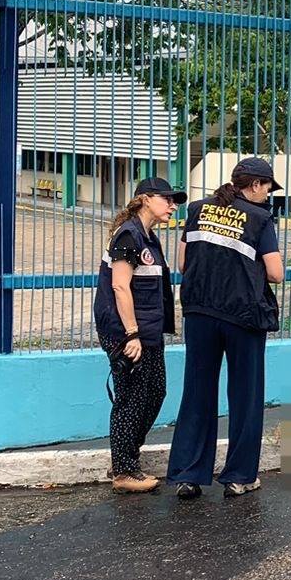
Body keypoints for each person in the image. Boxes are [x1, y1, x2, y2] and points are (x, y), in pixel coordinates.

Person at [167, 157, 285, 498]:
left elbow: (183, 262)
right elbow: (275, 273)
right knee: (245, 396)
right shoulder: (261, 219)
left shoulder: (199, 209)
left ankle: (188, 475)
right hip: (243, 316)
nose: (267, 195)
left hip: (200, 312)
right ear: (254, 185)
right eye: (267, 188)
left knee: (197, 392)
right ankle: (239, 477)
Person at [93, 176, 186, 494]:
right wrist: (130, 334)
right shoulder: (129, 235)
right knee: (130, 399)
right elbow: (120, 286)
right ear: (146, 199)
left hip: (148, 331)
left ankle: (125, 458)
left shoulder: (148, 236)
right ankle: (123, 471)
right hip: (126, 331)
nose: (173, 205)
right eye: (167, 199)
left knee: (155, 392)